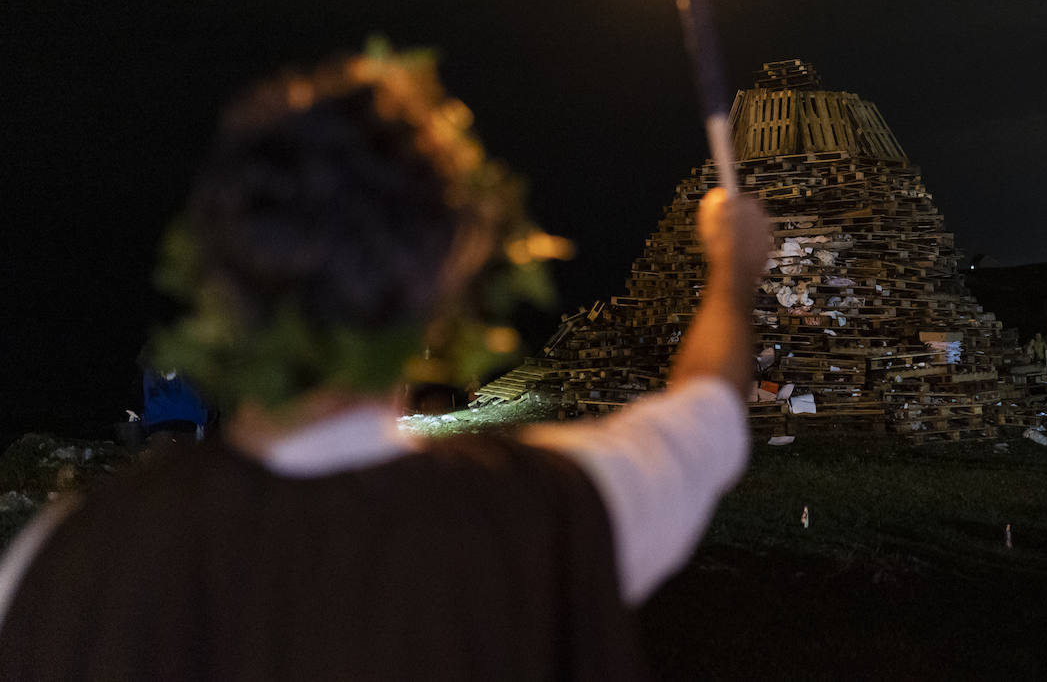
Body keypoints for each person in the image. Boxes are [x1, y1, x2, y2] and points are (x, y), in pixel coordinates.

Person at [0, 53, 775, 680]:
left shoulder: (61, 570)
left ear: (219, 280)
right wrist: (732, 274)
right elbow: (706, 407)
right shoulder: (552, 514)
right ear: (440, 288)